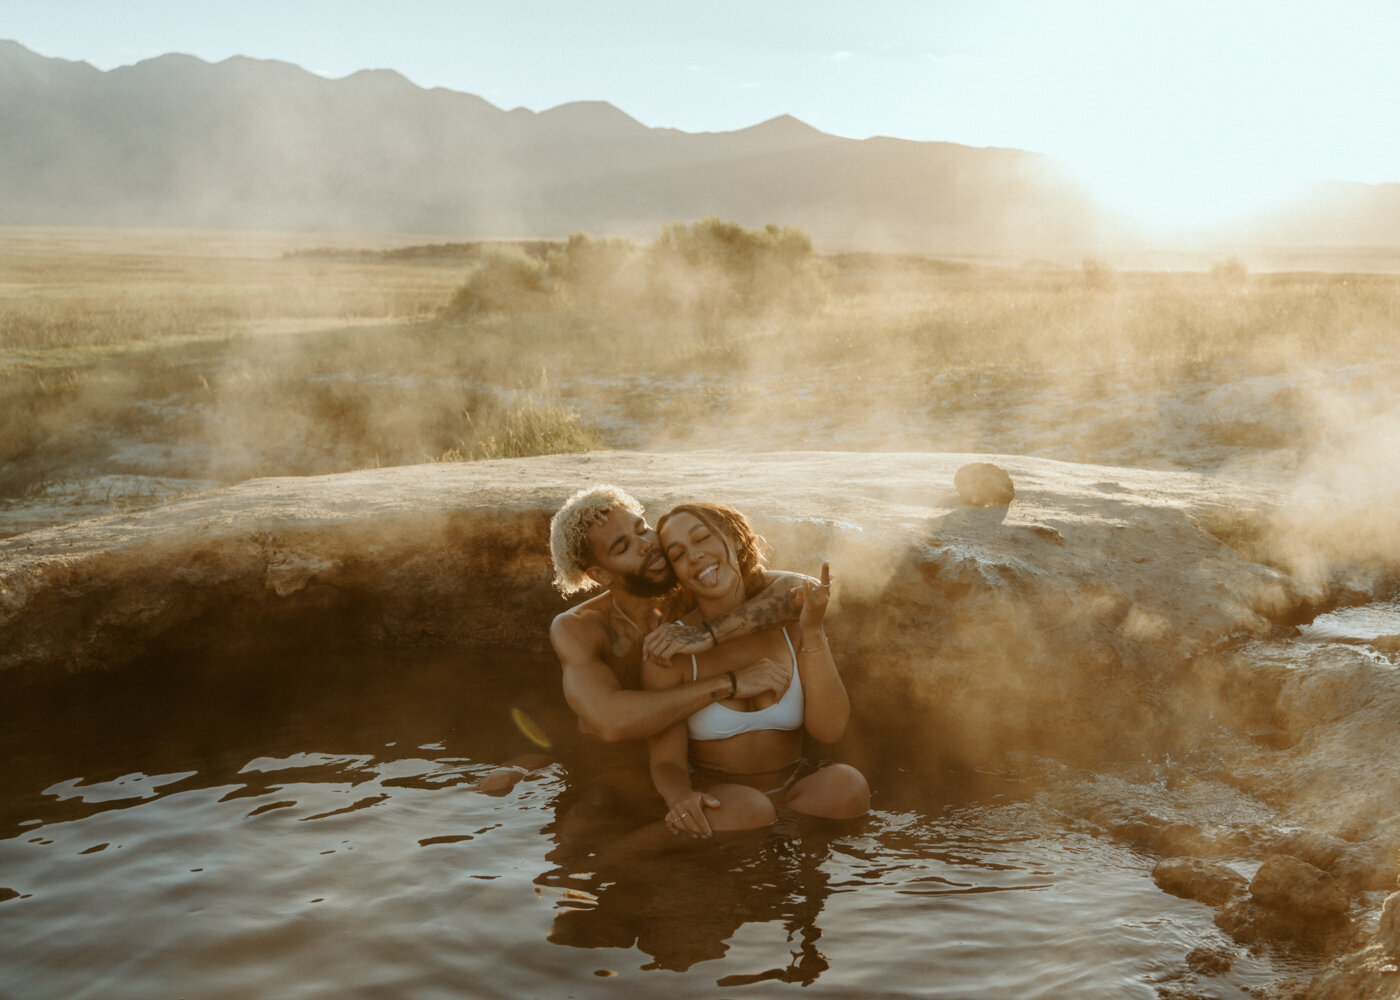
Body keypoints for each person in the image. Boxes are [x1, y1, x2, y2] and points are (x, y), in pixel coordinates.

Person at [545, 485, 816, 835]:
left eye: (641, 527)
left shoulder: (693, 584)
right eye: (623, 546)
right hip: (617, 767)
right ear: (600, 574)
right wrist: (729, 683)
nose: (646, 544)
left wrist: (709, 633)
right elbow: (609, 721)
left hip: (690, 764)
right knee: (580, 842)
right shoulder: (581, 627)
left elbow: (803, 589)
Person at [645, 503, 870, 839]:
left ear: (734, 539)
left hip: (794, 789)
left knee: (847, 786)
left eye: (702, 538)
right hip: (724, 803)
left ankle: (804, 873)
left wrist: (812, 630)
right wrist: (681, 799)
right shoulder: (671, 647)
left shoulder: (788, 621)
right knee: (751, 810)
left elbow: (830, 730)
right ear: (675, 573)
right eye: (678, 555)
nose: (694, 556)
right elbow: (666, 761)